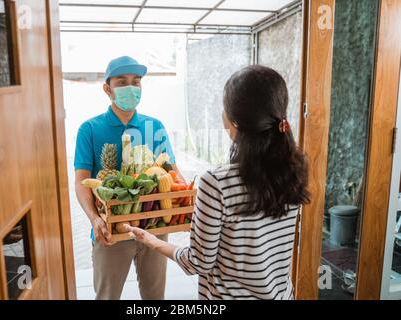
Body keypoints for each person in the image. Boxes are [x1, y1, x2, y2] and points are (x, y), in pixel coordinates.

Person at [126, 65, 310, 300]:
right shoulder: (294, 170)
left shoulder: (216, 183)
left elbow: (198, 263)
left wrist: (151, 240)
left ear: (234, 122)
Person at [74, 56, 182, 300]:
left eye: (136, 82)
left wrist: (182, 203)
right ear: (107, 89)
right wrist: (94, 219)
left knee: (155, 298)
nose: (131, 87)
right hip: (110, 231)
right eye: (122, 82)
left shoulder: (155, 126)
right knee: (107, 296)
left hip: (154, 227)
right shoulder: (89, 129)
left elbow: (174, 173)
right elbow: (81, 182)